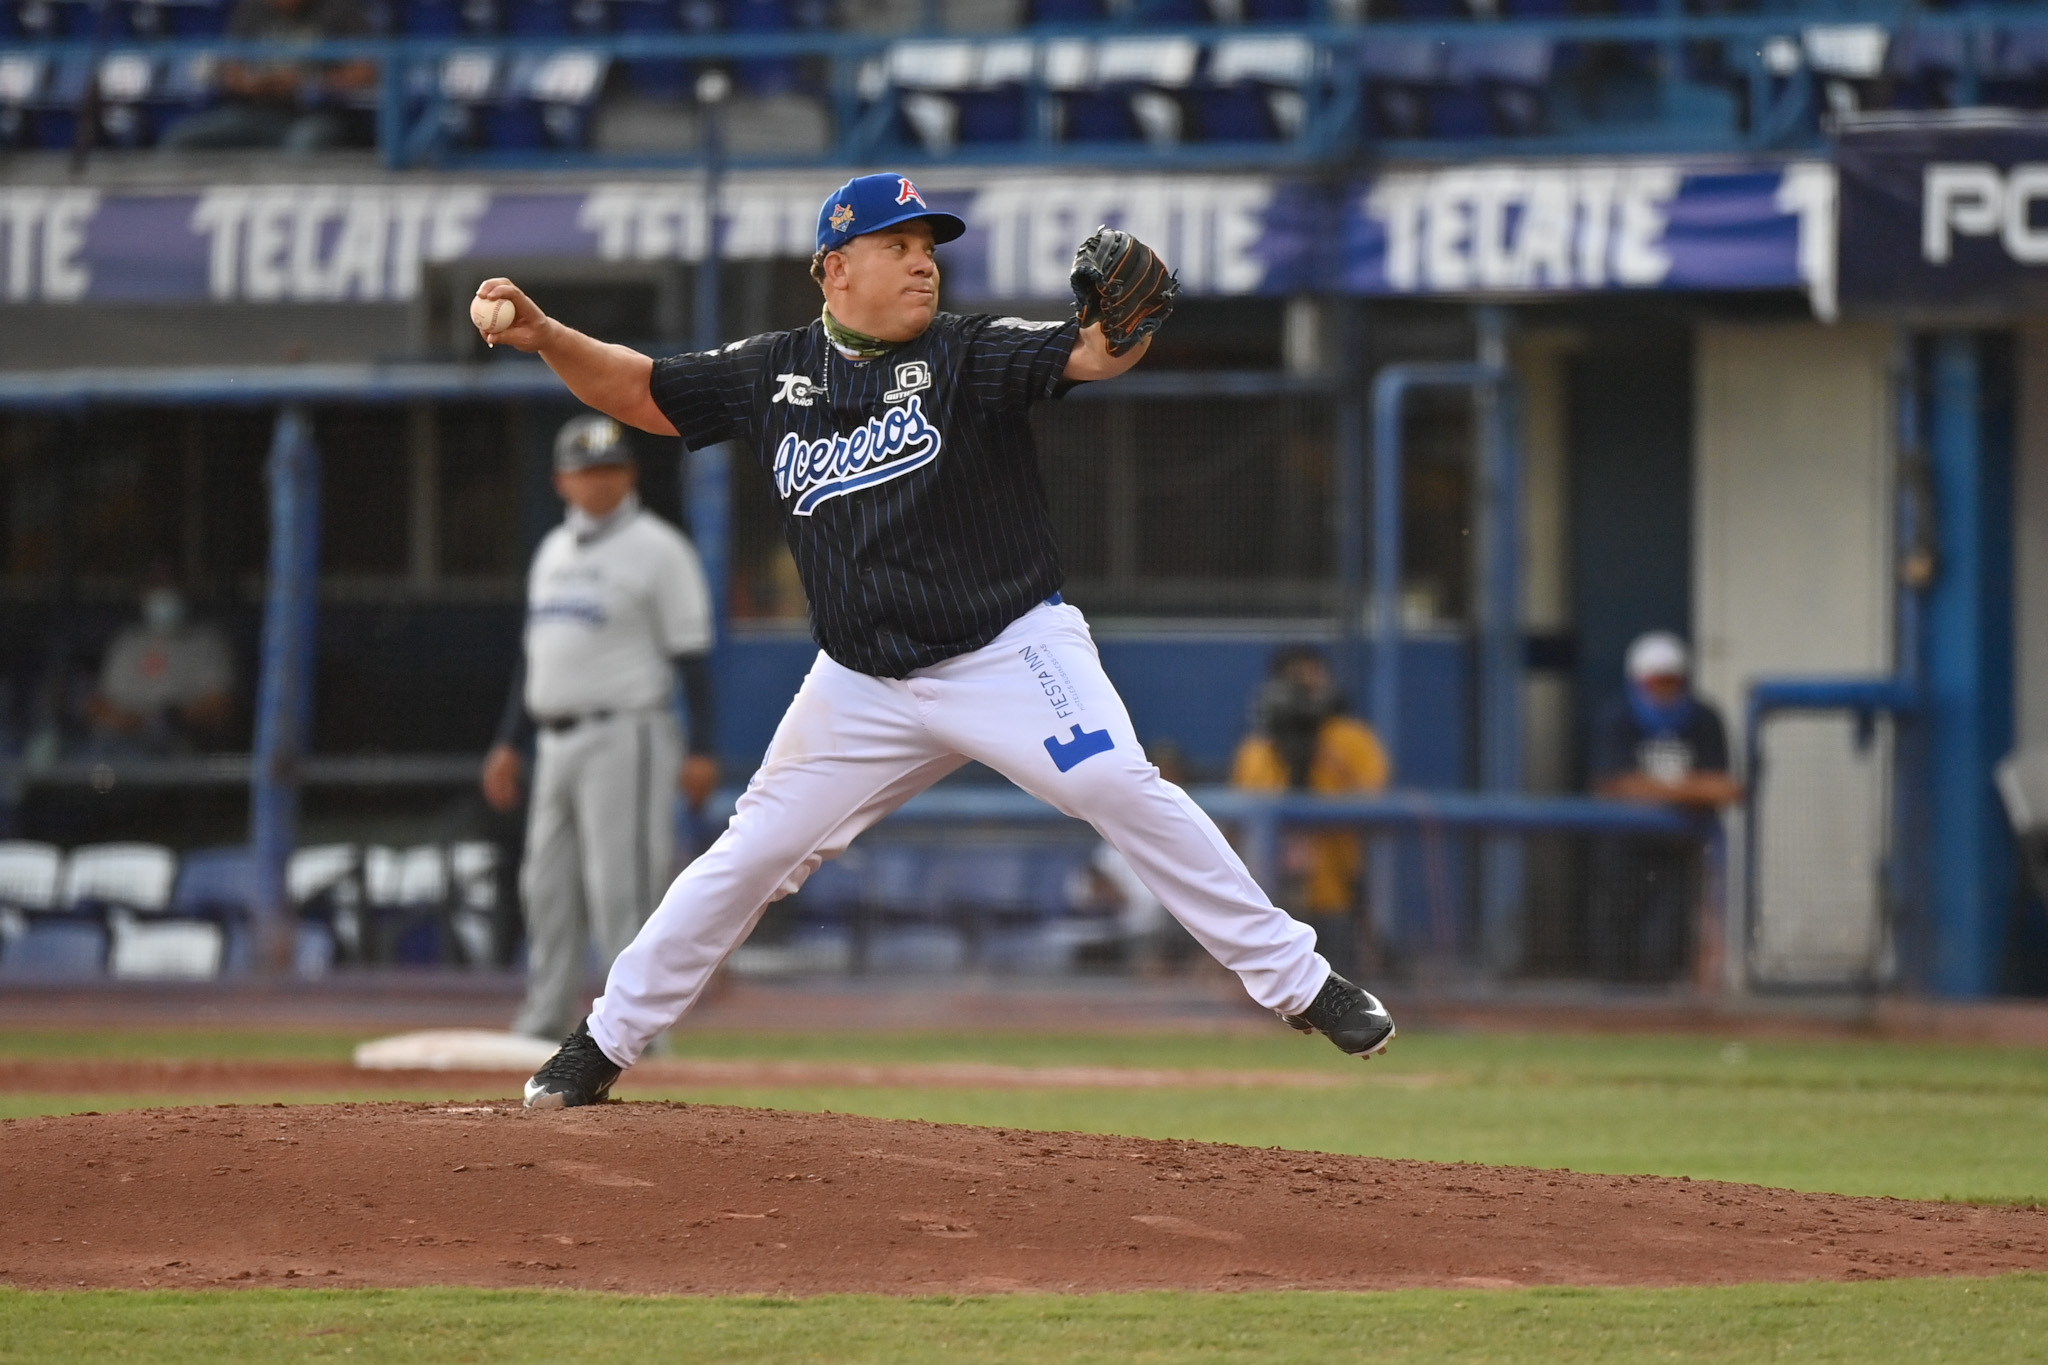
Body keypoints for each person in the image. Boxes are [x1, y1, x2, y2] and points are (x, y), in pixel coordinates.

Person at [483, 172, 1395, 1108]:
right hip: (861, 680)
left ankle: (1302, 983)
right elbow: (643, 392)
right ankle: (601, 1043)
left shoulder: (967, 353)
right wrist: (546, 335)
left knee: (1113, 780)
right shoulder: (773, 370)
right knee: (750, 852)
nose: (925, 266)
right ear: (836, 269)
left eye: (930, 250)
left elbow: (1088, 354)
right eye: (900, 248)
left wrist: (1128, 327)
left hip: (1005, 647)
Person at [481, 415, 720, 1043]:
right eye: (588, 472)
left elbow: (691, 655)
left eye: (612, 469)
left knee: (626, 888)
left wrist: (701, 749)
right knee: (545, 884)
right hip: (553, 739)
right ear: (562, 481)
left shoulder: (658, 548)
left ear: (631, 475)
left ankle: (639, 1031)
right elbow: (536, 655)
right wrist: (509, 740)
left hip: (628, 732)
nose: (601, 482)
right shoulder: (552, 552)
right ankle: (544, 1018)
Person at [1587, 631, 1739, 983]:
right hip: (1625, 843)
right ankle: (1618, 1009)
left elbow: (1725, 787)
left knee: (1667, 938)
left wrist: (1654, 788)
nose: (1665, 688)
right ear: (1640, 680)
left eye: (1673, 679)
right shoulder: (1618, 715)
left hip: (1680, 843)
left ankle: (1662, 1004)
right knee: (1617, 929)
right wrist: (1687, 788)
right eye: (1656, 680)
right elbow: (1612, 784)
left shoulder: (1703, 717)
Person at [1231, 645, 1390, 970]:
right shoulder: (1258, 748)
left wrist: (1321, 750)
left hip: (1338, 886)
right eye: (1295, 677)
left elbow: (1372, 799)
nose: (1305, 687)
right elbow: (1240, 821)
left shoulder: (1350, 738)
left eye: (1313, 675)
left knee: (1343, 985)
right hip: (1270, 894)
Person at [158, 0, 375, 153]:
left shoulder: (341, 8)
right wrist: (253, 84)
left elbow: (367, 71)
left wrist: (305, 83)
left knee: (304, 143)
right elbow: (232, 70)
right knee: (179, 140)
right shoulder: (252, 9)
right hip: (257, 112)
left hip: (318, 113)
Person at [86, 573, 236, 753]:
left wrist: (168, 719)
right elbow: (101, 705)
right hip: (124, 743)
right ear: (142, 593)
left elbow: (220, 707)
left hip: (184, 743)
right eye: (156, 584)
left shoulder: (207, 641)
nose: (163, 593)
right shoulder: (126, 641)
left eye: (169, 584)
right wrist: (133, 722)